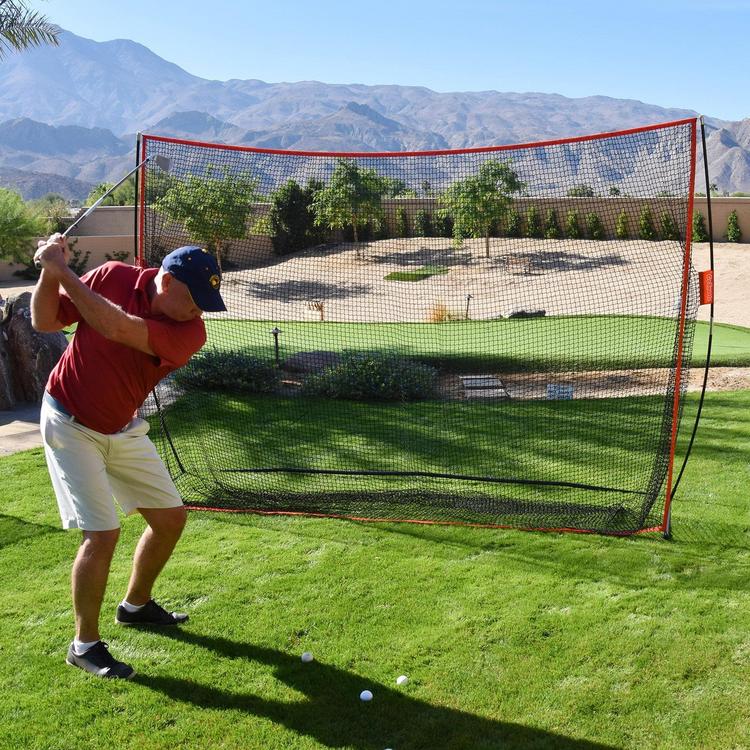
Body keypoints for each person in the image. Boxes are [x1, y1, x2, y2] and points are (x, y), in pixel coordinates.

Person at [31, 234, 226, 680]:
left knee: (170, 519)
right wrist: (49, 272)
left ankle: (135, 606)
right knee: (102, 534)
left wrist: (62, 270)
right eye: (195, 300)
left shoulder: (190, 333)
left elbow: (117, 328)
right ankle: (84, 645)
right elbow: (44, 320)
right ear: (166, 281)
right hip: (69, 420)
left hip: (121, 426)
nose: (199, 312)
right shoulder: (112, 277)